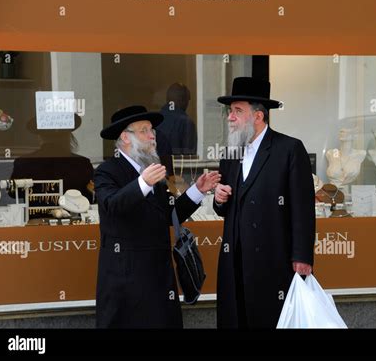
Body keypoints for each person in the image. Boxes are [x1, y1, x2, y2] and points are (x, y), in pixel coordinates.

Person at [95, 105, 220, 328]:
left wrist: (197, 191)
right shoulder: (108, 171)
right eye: (144, 130)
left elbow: (167, 216)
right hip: (126, 282)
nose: (152, 136)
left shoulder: (154, 170)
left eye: (151, 130)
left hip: (160, 278)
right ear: (125, 137)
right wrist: (143, 183)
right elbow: (112, 205)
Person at [213, 77, 316, 328]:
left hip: (273, 261)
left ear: (258, 116)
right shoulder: (231, 152)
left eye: (238, 111)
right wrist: (218, 198)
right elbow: (224, 208)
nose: (230, 117)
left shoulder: (289, 149)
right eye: (230, 111)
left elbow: (303, 208)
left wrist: (302, 256)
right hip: (235, 261)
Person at [157, 83, 197, 155]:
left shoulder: (155, 120)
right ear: (182, 100)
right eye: (188, 100)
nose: (187, 104)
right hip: (178, 165)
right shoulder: (186, 122)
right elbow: (189, 156)